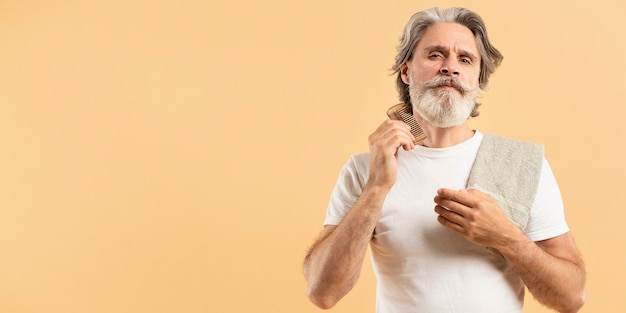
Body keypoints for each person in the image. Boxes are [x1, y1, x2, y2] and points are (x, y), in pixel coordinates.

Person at [303, 7, 586, 313]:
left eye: (465, 59)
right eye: (436, 55)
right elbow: (322, 292)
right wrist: (377, 187)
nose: (450, 68)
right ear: (407, 70)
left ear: (477, 78)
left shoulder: (521, 165)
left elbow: (570, 298)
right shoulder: (365, 169)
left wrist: (506, 237)